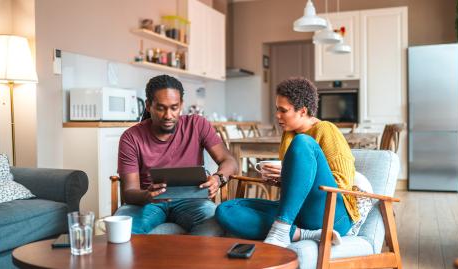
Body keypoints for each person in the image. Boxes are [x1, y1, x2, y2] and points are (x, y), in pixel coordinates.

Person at [215, 77, 359, 247]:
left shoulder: (325, 130)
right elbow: (295, 185)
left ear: (303, 111)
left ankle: (281, 228)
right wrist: (280, 179)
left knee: (303, 142)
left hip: (333, 214)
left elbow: (342, 183)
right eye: (277, 109)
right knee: (226, 210)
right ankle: (302, 234)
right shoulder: (289, 134)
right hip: (298, 214)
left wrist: (287, 175)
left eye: (283, 110)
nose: (277, 115)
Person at [116, 74, 238, 236]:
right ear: (148, 106)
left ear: (181, 105)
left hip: (193, 201)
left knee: (217, 223)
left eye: (174, 107)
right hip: (147, 204)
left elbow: (229, 161)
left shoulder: (197, 124)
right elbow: (130, 192)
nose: (168, 115)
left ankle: (188, 259)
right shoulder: (131, 137)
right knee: (122, 231)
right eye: (161, 108)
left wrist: (217, 178)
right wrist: (147, 195)